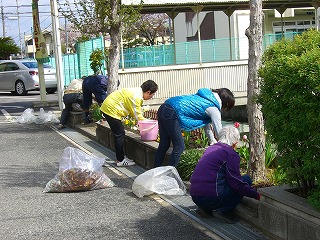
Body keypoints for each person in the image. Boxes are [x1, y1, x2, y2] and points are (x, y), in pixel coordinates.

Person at [189, 125, 260, 223]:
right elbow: (236, 183)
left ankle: (205, 209)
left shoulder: (210, 149)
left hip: (194, 196)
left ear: (219, 137)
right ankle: (224, 211)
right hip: (212, 198)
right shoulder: (230, 154)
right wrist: (257, 195)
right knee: (246, 179)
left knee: (216, 181)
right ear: (235, 143)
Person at [154, 88, 235, 168]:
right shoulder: (214, 109)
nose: (224, 110)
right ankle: (168, 176)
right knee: (179, 146)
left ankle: (154, 172)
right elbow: (220, 132)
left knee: (164, 144)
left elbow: (205, 124)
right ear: (226, 104)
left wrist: (212, 140)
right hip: (172, 111)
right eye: (226, 109)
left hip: (164, 107)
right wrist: (228, 148)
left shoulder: (206, 97)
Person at [100, 80, 158, 167]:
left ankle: (121, 157)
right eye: (152, 94)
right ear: (148, 92)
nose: (152, 97)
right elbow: (137, 115)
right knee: (120, 134)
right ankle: (120, 160)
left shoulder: (136, 92)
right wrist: (147, 123)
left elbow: (133, 111)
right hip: (111, 111)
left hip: (108, 108)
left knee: (118, 134)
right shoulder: (137, 97)